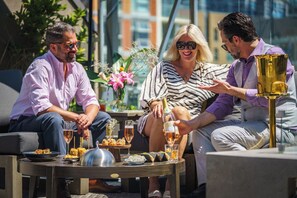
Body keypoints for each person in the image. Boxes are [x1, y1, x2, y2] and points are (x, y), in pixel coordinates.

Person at [175, 12, 297, 197]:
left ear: (236, 40)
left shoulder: (273, 55)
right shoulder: (236, 66)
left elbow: (268, 98)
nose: (226, 48)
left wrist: (231, 90)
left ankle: (248, 186)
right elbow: (224, 104)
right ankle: (209, 188)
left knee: (221, 136)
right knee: (200, 131)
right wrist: (191, 124)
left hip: (279, 127)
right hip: (253, 126)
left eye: (225, 44)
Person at [8, 21, 115, 197]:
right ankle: (61, 183)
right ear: (54, 47)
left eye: (76, 44)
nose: (74, 49)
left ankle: (92, 178)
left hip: (57, 122)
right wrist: (75, 117)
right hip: (25, 121)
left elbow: (91, 100)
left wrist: (86, 118)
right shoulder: (40, 66)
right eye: (69, 45)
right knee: (54, 119)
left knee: (102, 117)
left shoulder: (77, 68)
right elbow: (42, 107)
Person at [138, 24, 230, 198]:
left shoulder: (207, 71)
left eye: (191, 45)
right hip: (155, 118)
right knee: (165, 114)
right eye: (181, 45)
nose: (186, 49)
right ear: (176, 47)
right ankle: (154, 182)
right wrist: (155, 103)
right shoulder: (164, 67)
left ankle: (170, 185)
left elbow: (237, 68)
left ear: (199, 46)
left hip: (186, 124)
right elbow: (149, 94)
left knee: (181, 113)